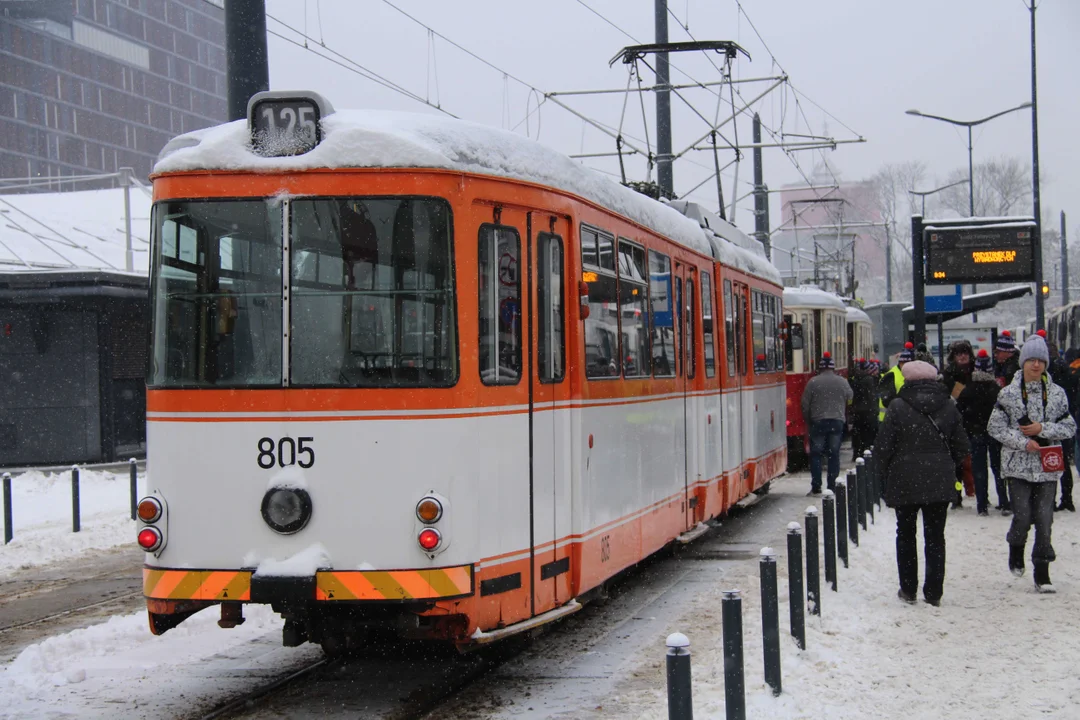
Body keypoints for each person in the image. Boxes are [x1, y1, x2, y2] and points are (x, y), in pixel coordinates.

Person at [987, 335, 1077, 592]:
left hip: (1048, 466)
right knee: (1023, 516)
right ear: (1023, 362)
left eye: (1040, 361)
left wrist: (1043, 429)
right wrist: (1022, 441)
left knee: (1045, 519)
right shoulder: (1008, 394)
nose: (1036, 365)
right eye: (1031, 360)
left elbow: (1069, 426)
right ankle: (1016, 545)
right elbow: (994, 427)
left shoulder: (1058, 394)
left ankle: (1042, 570)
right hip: (1017, 466)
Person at [877, 360, 969, 606]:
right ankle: (934, 592)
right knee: (935, 536)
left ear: (906, 381)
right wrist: (945, 462)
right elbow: (962, 446)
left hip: (904, 479)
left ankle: (908, 589)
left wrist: (885, 472)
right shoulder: (949, 405)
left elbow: (883, 447)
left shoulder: (896, 406)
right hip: (939, 479)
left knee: (906, 534)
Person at [956, 350, 1002, 516]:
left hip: (975, 434)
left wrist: (969, 427)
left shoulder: (968, 389)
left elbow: (959, 411)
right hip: (996, 434)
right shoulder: (997, 390)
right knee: (998, 468)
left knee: (979, 469)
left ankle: (982, 504)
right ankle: (1004, 501)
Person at [801, 351, 853, 495]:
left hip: (818, 421)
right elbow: (850, 397)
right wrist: (842, 408)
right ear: (833, 367)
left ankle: (816, 485)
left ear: (821, 368)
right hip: (837, 421)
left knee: (816, 454)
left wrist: (809, 419)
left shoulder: (813, 382)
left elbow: (805, 404)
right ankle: (832, 486)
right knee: (834, 454)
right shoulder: (842, 381)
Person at [989, 331, 1021, 514]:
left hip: (1009, 424)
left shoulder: (1012, 370)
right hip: (1005, 422)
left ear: (1007, 352)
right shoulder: (1003, 367)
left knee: (1005, 464)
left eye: (998, 352)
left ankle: (1009, 501)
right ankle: (1007, 500)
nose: (996, 355)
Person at [849, 358, 879, 460]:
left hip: (857, 411)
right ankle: (867, 454)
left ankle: (857, 453)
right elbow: (872, 397)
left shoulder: (855, 379)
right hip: (868, 412)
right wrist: (875, 411)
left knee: (857, 434)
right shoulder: (869, 380)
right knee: (868, 435)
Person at [878, 342, 915, 422]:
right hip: (889, 420)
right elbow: (887, 400)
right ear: (901, 363)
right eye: (906, 364)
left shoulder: (911, 374)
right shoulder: (891, 375)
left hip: (903, 420)